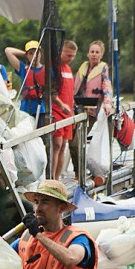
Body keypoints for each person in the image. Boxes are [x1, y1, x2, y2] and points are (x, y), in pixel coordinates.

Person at [13, 179, 97, 269]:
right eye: (36, 202)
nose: (38, 208)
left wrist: (38, 235)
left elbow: (71, 258)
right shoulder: (27, 237)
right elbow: (1, 258)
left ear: (61, 208)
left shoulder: (77, 238)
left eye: (45, 202)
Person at [50, 40, 78, 180]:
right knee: (57, 144)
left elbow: (70, 92)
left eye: (73, 56)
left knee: (63, 146)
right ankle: (52, 177)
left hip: (68, 113)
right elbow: (52, 92)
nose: (70, 59)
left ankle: (57, 177)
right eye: (68, 55)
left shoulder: (68, 69)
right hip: (57, 110)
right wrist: (61, 105)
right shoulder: (55, 68)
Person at [74, 40, 114, 122]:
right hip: (79, 108)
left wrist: (107, 103)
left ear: (101, 55)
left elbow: (107, 88)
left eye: (97, 52)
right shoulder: (83, 67)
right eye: (92, 52)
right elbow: (73, 88)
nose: (94, 54)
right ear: (88, 54)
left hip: (94, 110)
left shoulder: (103, 69)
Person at [5, 40, 45, 120]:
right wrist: (25, 54)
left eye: (36, 53)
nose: (34, 56)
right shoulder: (23, 69)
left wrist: (29, 54)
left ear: (40, 54)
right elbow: (8, 51)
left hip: (42, 111)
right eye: (31, 53)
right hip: (26, 110)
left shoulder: (47, 70)